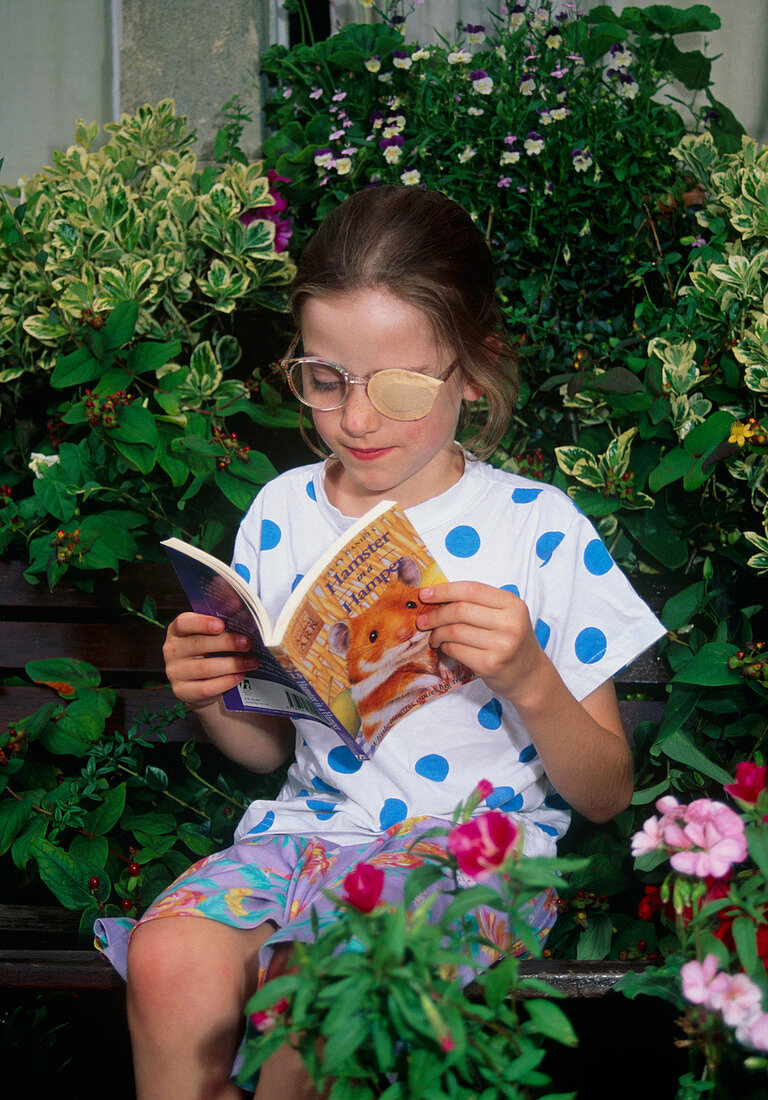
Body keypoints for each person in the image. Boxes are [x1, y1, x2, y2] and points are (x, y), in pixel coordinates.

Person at [95, 185, 665, 1099]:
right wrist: (213, 696)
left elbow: (606, 793)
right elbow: (266, 750)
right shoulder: (282, 513)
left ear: (474, 371)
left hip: (466, 861)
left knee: (321, 997)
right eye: (326, 380)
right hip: (307, 835)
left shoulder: (536, 526)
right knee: (168, 961)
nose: (357, 419)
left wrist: (529, 680)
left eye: (398, 387)